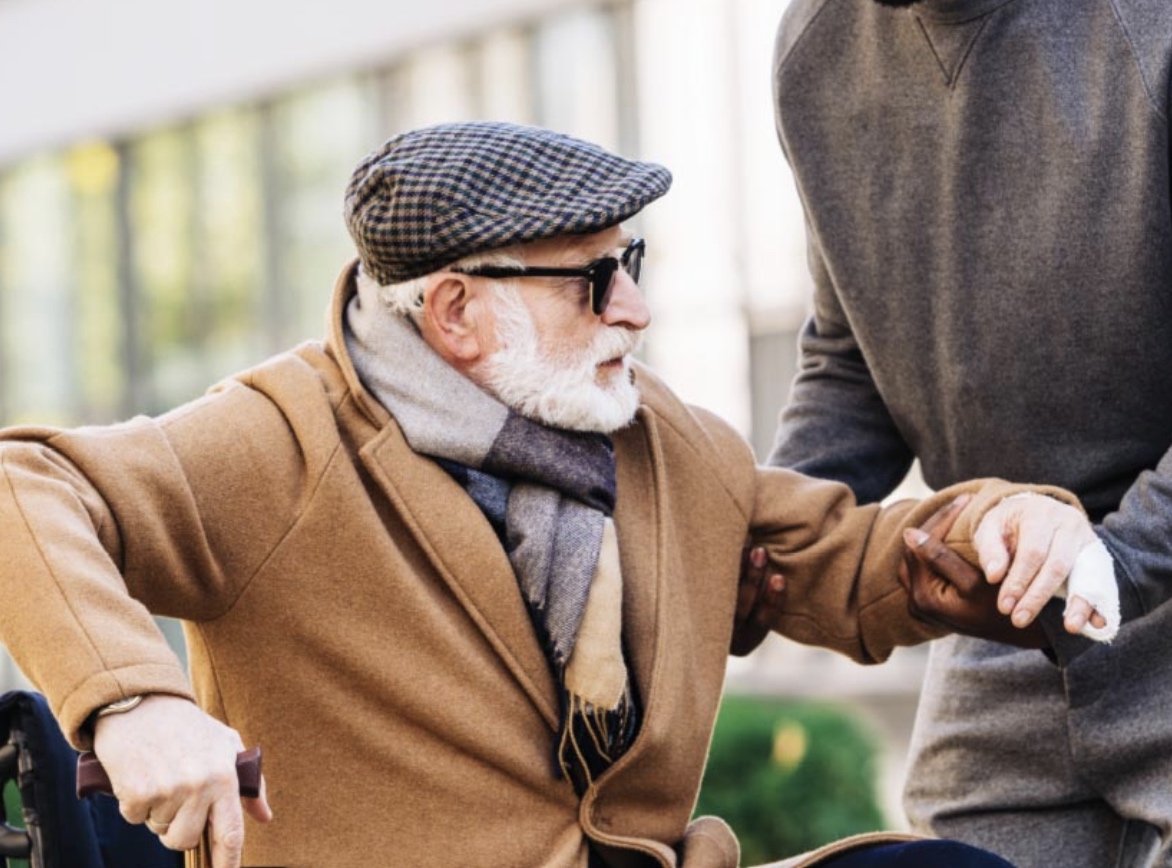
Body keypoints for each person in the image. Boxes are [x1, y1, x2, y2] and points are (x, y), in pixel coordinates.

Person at [0, 120, 1102, 868]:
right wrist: (134, 702)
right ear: (453, 313)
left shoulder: (659, 439)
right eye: (591, 279)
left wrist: (993, 519)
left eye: (634, 263)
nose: (633, 310)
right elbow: (22, 483)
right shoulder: (279, 443)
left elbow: (851, 558)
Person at [753, 1, 1172, 866]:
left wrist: (1114, 561)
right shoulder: (813, 47)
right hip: (1000, 618)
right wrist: (763, 540)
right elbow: (848, 361)